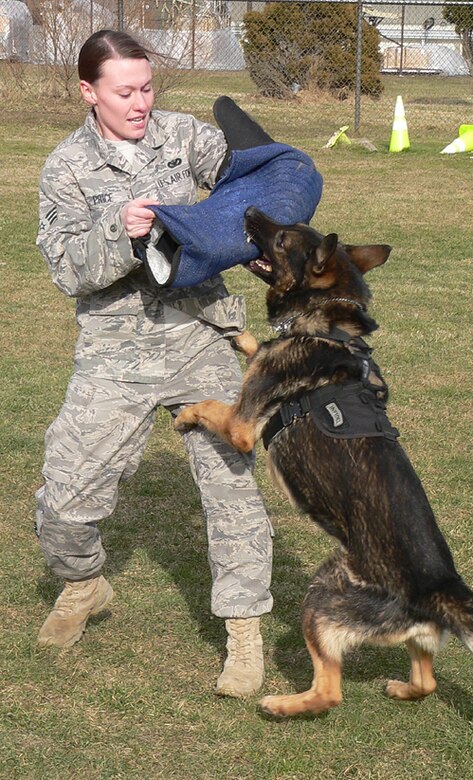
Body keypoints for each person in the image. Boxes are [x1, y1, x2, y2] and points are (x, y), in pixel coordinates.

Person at [35, 29, 273, 698]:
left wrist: (254, 234)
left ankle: (245, 637)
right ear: (89, 92)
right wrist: (122, 231)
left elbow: (245, 185)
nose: (141, 103)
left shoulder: (186, 137)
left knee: (232, 489)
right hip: (118, 352)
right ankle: (85, 584)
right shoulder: (67, 168)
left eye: (146, 88)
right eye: (124, 92)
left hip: (203, 339)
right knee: (65, 503)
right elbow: (65, 270)